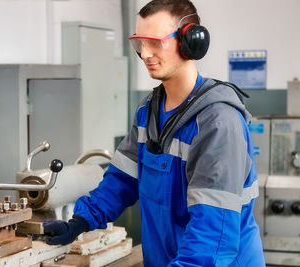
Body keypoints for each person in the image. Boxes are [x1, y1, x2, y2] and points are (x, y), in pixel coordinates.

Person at [41, 0, 265, 266]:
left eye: (155, 42)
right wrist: (80, 222)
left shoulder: (218, 122)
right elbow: (122, 180)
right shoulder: (149, 111)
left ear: (190, 41)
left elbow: (212, 235)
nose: (145, 53)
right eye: (139, 43)